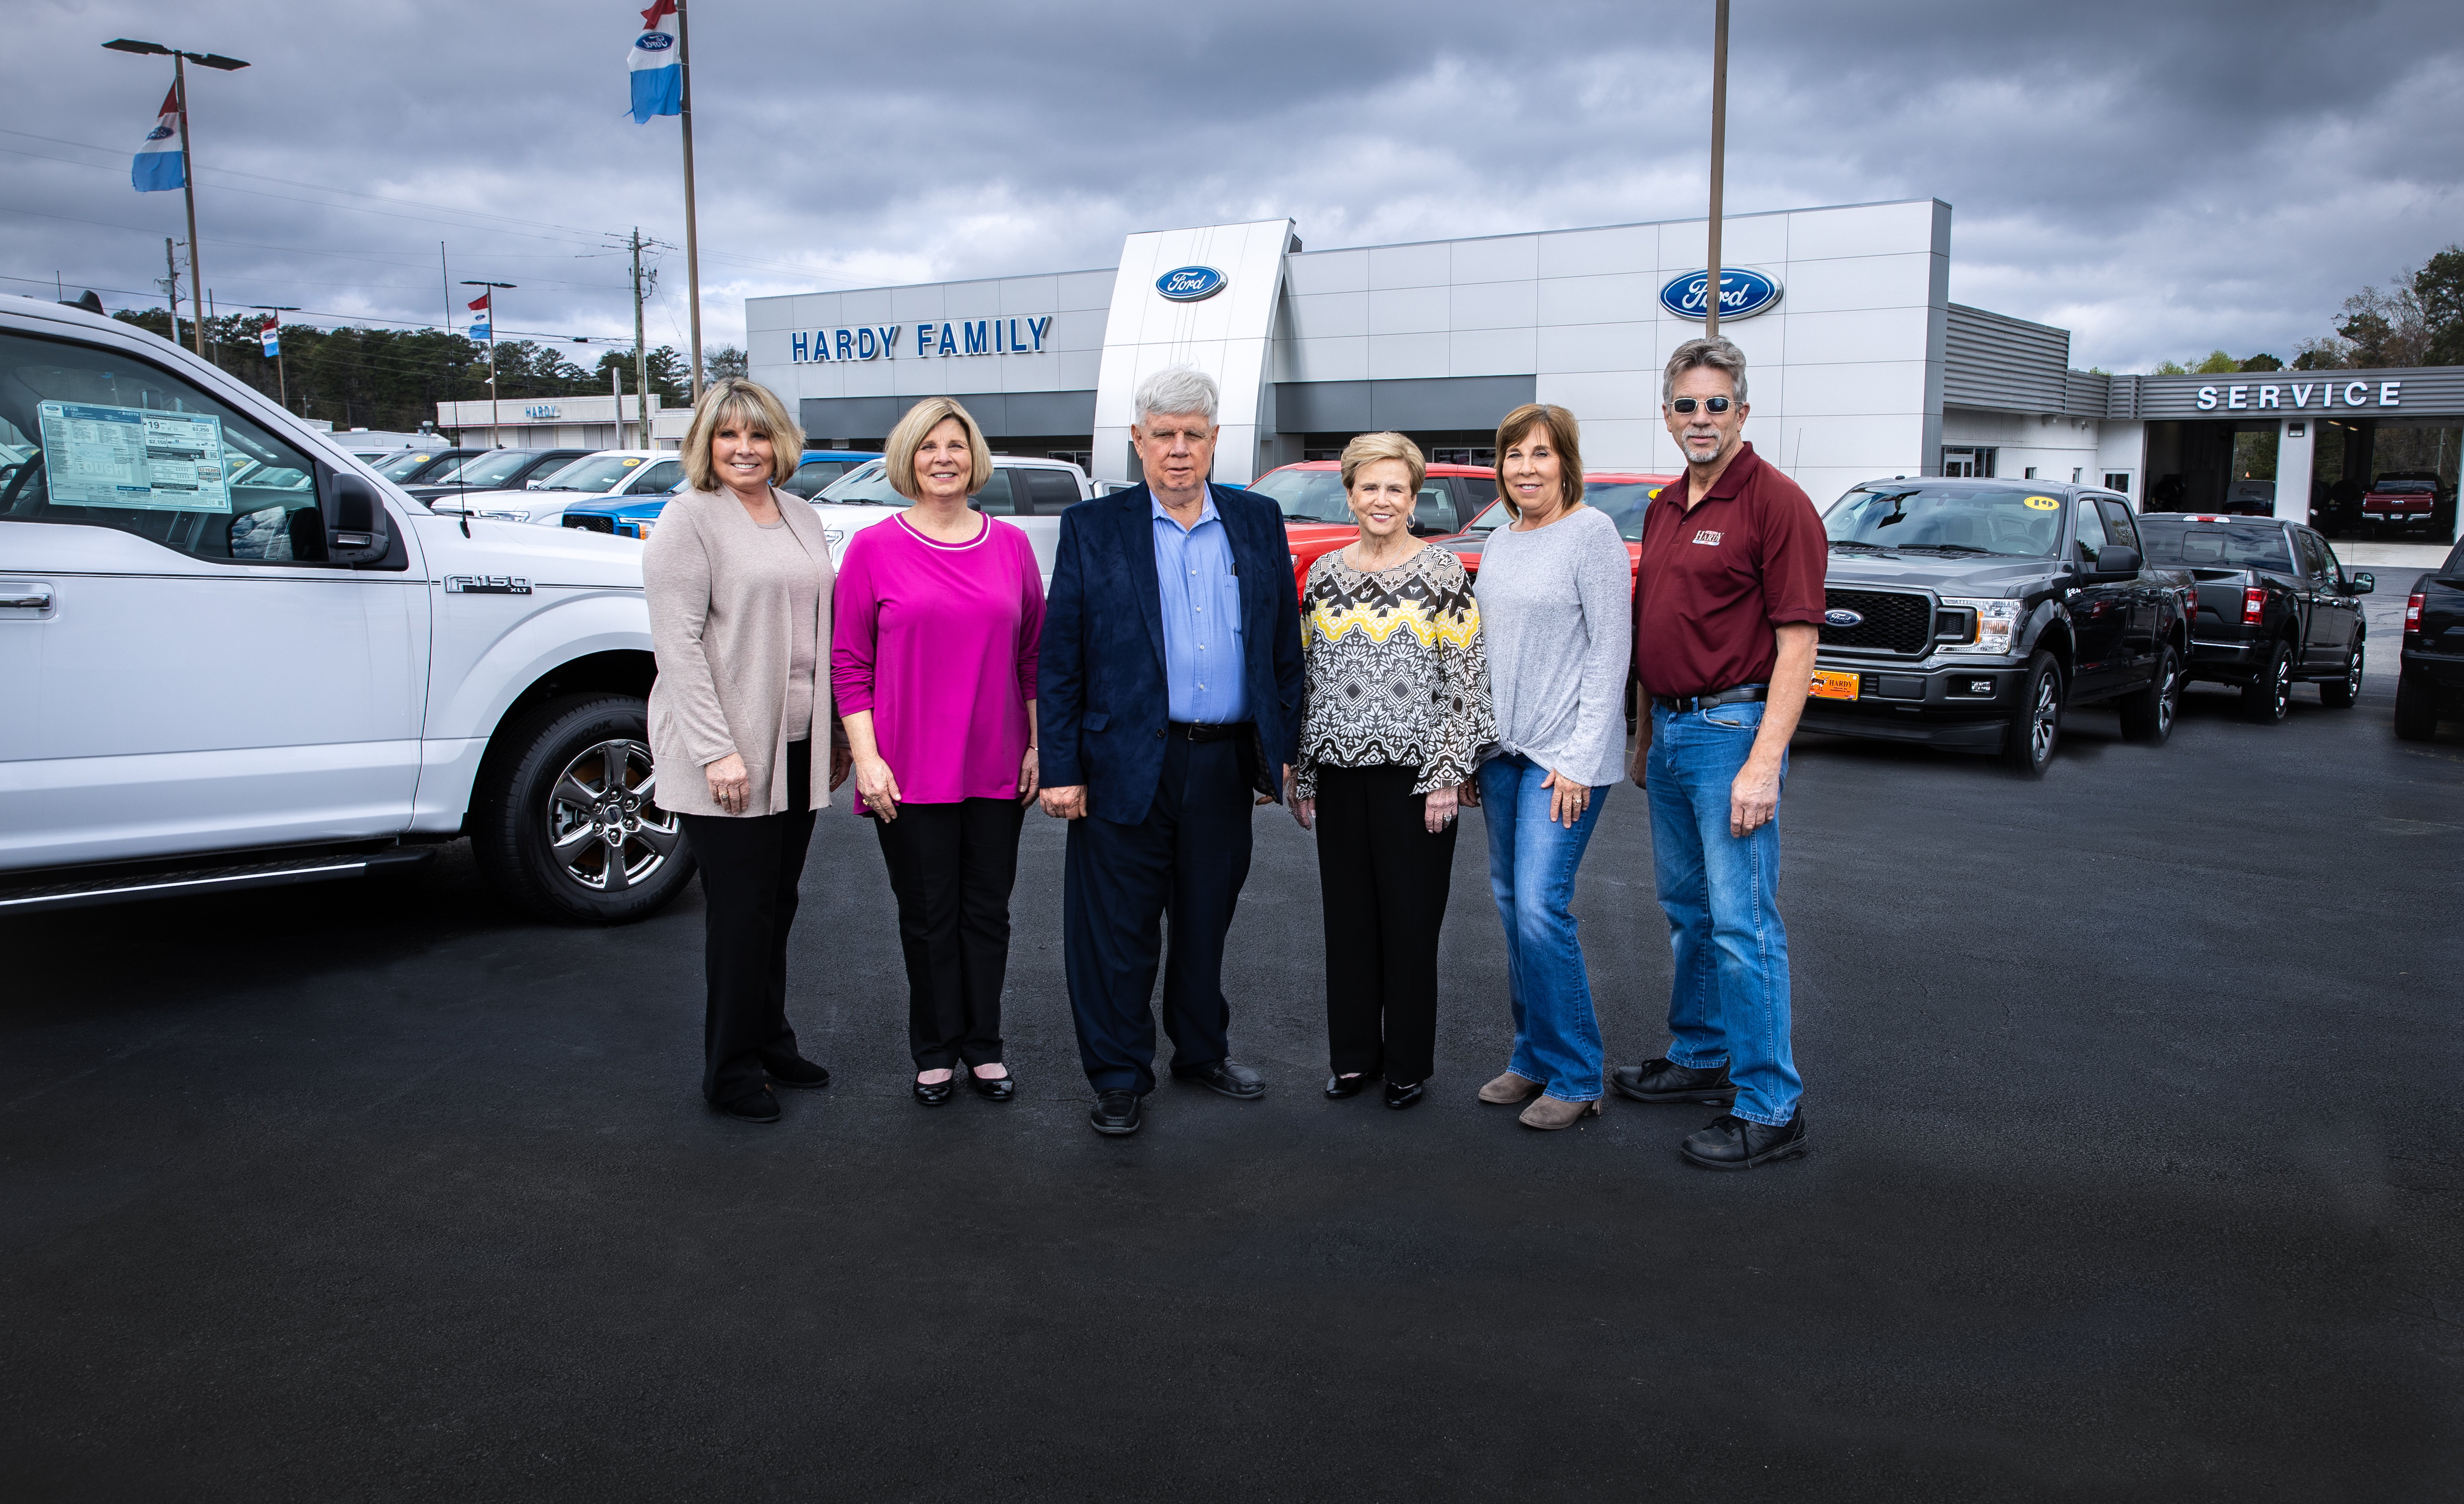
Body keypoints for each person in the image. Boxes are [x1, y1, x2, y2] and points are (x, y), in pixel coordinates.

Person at [1037, 366, 1306, 1137]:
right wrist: (1060, 768)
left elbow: (1281, 649)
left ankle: (1200, 1050)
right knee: (1116, 930)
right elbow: (1061, 660)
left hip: (1222, 763)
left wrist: (1274, 752)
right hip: (1120, 762)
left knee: (1203, 919)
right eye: (1164, 435)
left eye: (1194, 435)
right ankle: (1120, 1076)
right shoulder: (1096, 528)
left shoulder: (1256, 521)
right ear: (1137, 440)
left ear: (1216, 439)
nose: (1179, 451)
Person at [1614, 336, 1825, 1170]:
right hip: (1669, 733)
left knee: (1744, 925)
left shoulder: (1779, 503)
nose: (1700, 419)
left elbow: (1799, 644)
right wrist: (1642, 737)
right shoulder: (1667, 504)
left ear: (1744, 408)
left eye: (1716, 404)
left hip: (1732, 733)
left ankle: (1772, 1105)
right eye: (1685, 405)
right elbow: (1651, 629)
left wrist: (1765, 761)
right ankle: (1702, 1054)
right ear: (1667, 414)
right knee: (1689, 911)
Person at [644, 378, 851, 1123]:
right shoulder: (687, 520)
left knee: (778, 903)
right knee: (739, 912)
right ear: (706, 442)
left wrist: (830, 734)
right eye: (728, 435)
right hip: (728, 751)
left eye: (758, 435)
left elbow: (819, 638)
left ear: (779, 444)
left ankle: (770, 1039)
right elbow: (678, 647)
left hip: (795, 742)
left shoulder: (799, 514)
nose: (744, 449)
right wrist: (715, 751)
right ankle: (728, 1071)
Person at [833, 398, 1045, 1107]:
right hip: (908, 767)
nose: (943, 458)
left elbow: (1033, 657)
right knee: (926, 916)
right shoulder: (872, 548)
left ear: (973, 457)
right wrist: (866, 759)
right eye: (928, 447)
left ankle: (983, 1047)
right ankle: (934, 1051)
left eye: (955, 445)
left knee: (987, 913)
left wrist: (1039, 745)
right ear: (908, 459)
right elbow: (850, 664)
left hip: (995, 760)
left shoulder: (1010, 546)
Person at [1286, 432, 1494, 1111]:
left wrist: (1444, 775)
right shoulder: (1323, 574)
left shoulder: (1440, 573)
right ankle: (1352, 1060)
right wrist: (1307, 773)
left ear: (1414, 498)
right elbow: (1311, 679)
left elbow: (1465, 680)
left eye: (1395, 489)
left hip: (1415, 781)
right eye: (1369, 487)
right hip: (1340, 775)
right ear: (1349, 495)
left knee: (1408, 925)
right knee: (1347, 923)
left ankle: (1405, 1064)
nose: (1382, 500)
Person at [1469, 403, 1633, 1130]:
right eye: (1513, 456)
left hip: (1560, 762)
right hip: (1502, 756)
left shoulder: (1590, 535)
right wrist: (1472, 749)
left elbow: (1610, 653)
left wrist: (1577, 759)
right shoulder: (1502, 541)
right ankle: (1531, 1056)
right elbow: (1488, 652)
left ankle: (1575, 1075)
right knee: (1512, 910)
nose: (1525, 469)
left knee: (1542, 908)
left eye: (1540, 454)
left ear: (1565, 461)